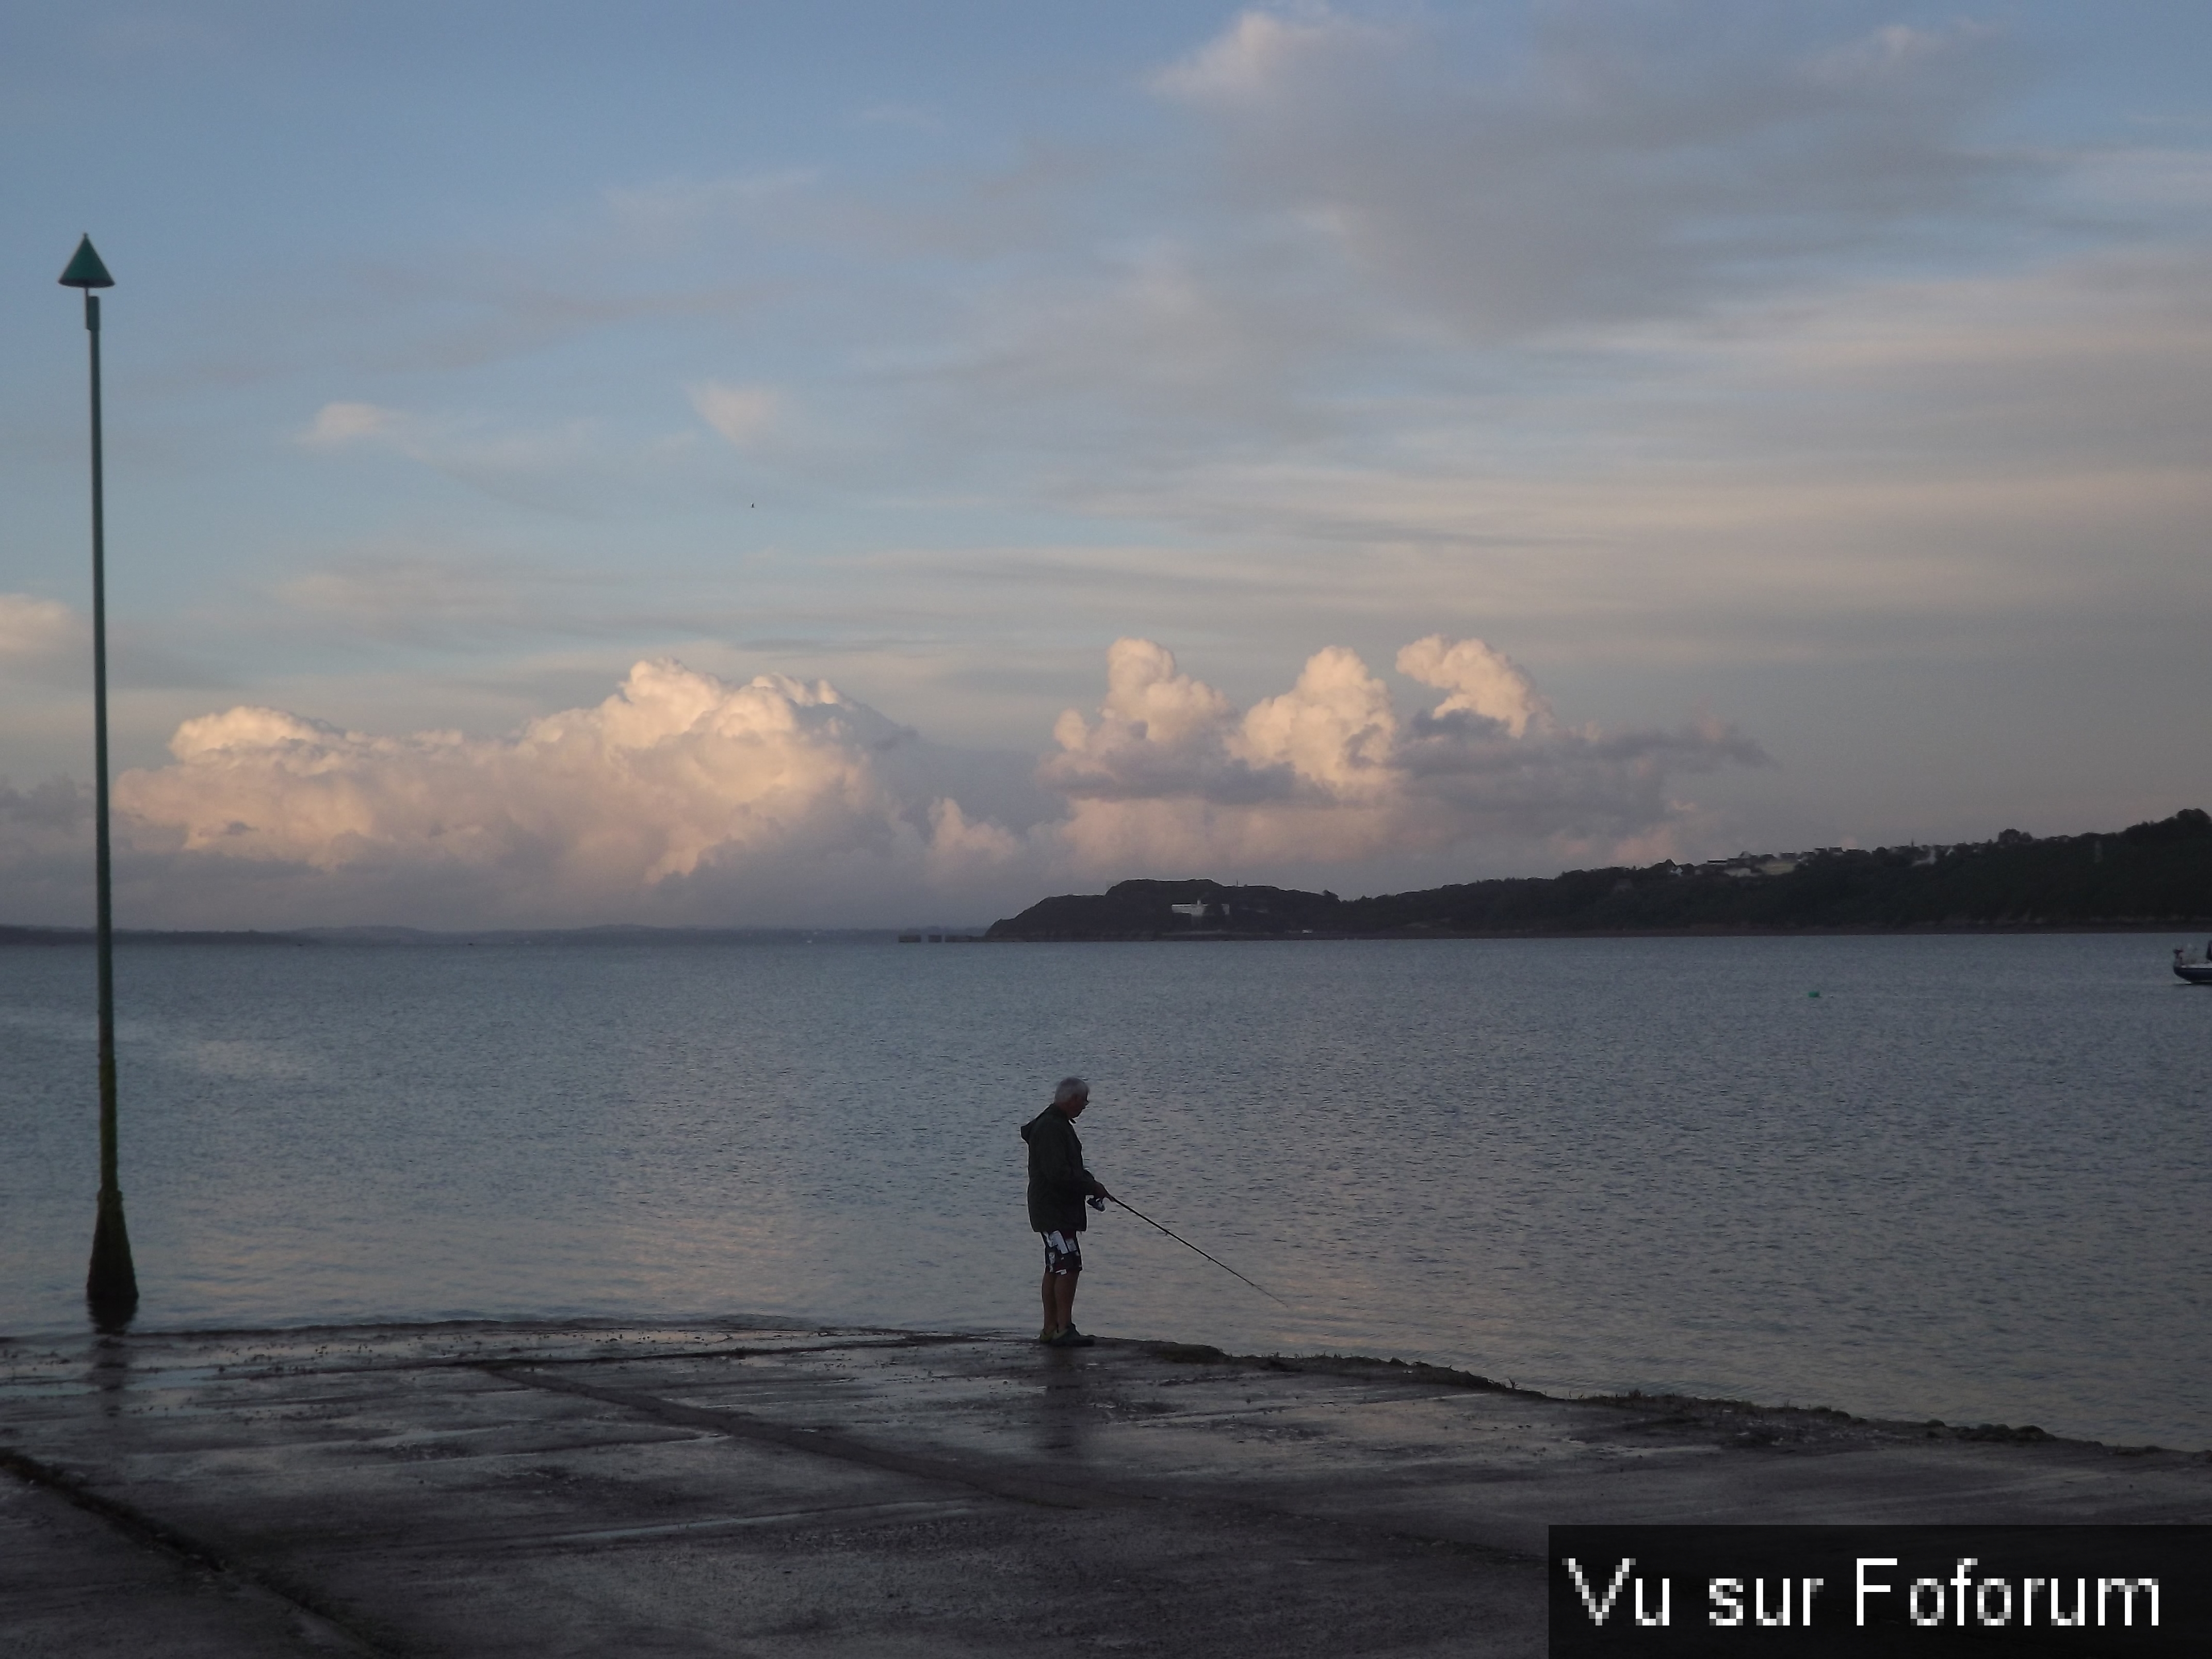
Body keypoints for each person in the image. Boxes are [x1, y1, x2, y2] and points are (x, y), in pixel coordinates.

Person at [1020, 1075, 1112, 1347]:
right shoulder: (1051, 1127)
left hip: (1052, 1209)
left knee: (1055, 1265)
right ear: (1073, 1100)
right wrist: (1090, 1185)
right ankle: (1063, 1328)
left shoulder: (1055, 1124)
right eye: (1084, 1102)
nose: (1084, 1107)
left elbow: (1063, 1170)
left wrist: (1089, 1183)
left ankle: (1051, 1329)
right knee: (1068, 1266)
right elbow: (1058, 1173)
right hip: (1054, 1210)